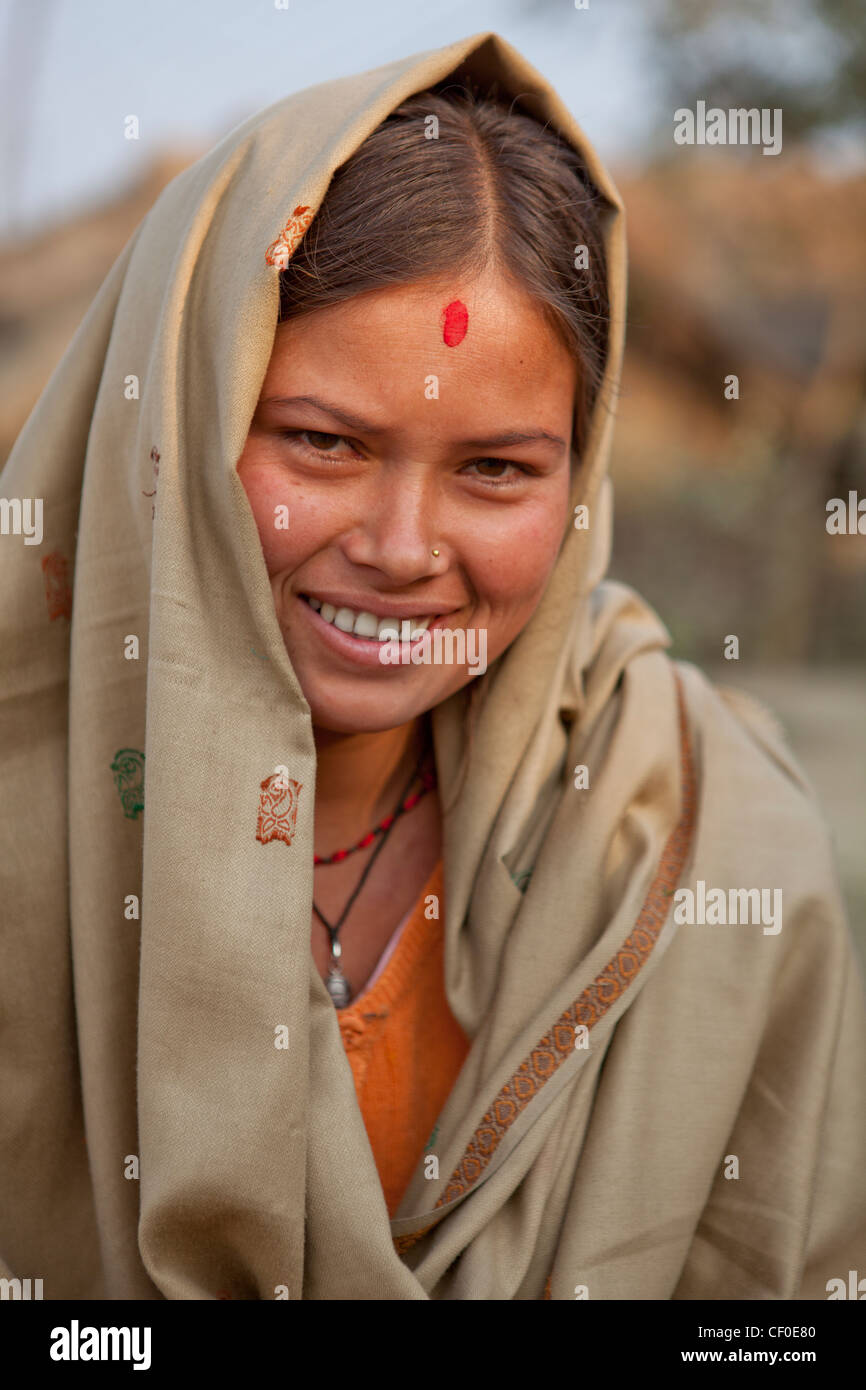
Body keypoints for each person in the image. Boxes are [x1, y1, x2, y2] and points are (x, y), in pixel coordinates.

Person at [1, 30, 864, 1302]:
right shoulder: (30, 828)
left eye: (496, 470)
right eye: (321, 442)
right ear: (175, 420)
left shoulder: (703, 831)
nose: (402, 551)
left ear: (581, 475)